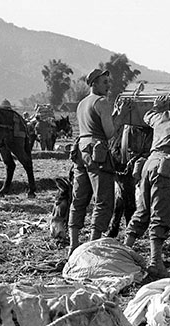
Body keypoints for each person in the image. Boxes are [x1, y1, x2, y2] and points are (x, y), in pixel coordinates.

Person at [122, 88, 170, 279]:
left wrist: (156, 107)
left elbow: (147, 116)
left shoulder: (159, 117)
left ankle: (124, 251)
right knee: (161, 213)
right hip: (165, 168)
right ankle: (155, 262)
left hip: (148, 165)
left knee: (142, 209)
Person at [68, 68, 119, 256]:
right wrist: (119, 117)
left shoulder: (82, 104)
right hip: (97, 152)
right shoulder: (102, 102)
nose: (108, 85)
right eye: (104, 82)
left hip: (81, 150)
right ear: (94, 84)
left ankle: (73, 245)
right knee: (103, 199)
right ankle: (92, 246)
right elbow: (109, 133)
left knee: (79, 198)